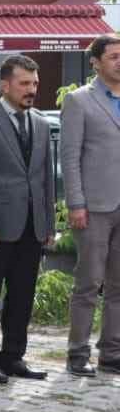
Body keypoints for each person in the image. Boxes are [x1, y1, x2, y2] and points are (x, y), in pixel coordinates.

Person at [0, 55, 55, 384]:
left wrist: (48, 224)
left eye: (34, 84)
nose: (31, 90)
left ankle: (14, 355)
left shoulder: (42, 123)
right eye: (24, 84)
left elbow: (45, 179)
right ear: (5, 85)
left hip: (32, 225)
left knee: (22, 292)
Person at [58, 34, 120, 376]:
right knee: (88, 283)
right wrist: (76, 203)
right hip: (94, 206)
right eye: (113, 56)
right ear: (96, 62)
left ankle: (111, 352)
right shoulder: (79, 101)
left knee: (118, 285)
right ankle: (77, 351)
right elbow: (70, 156)